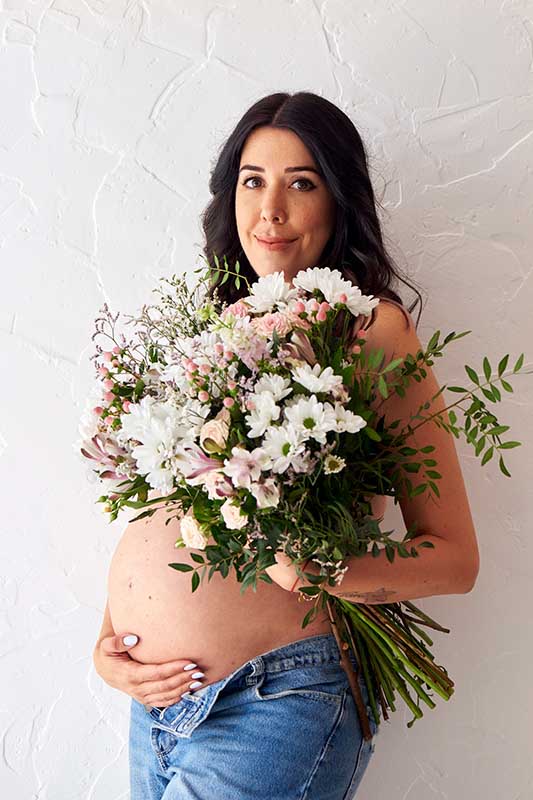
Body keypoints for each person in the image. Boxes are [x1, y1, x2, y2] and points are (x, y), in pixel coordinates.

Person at [93, 91, 480, 799]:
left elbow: (453, 559)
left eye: (300, 183)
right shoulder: (216, 329)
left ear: (338, 201)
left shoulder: (371, 331)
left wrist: (317, 571)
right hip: (155, 707)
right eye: (252, 180)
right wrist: (110, 642)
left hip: (270, 704)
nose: (269, 210)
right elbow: (165, 512)